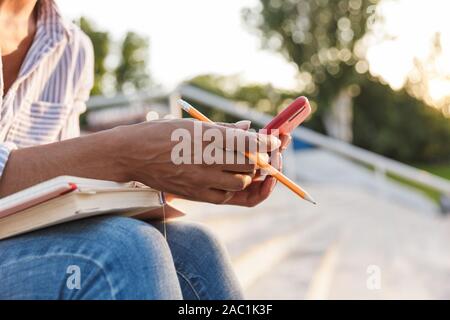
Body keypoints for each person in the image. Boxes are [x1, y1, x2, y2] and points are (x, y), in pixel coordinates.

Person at [0, 0, 291, 299]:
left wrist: (171, 172)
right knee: (124, 251)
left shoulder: (71, 49)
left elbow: (56, 189)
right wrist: (123, 153)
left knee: (196, 250)